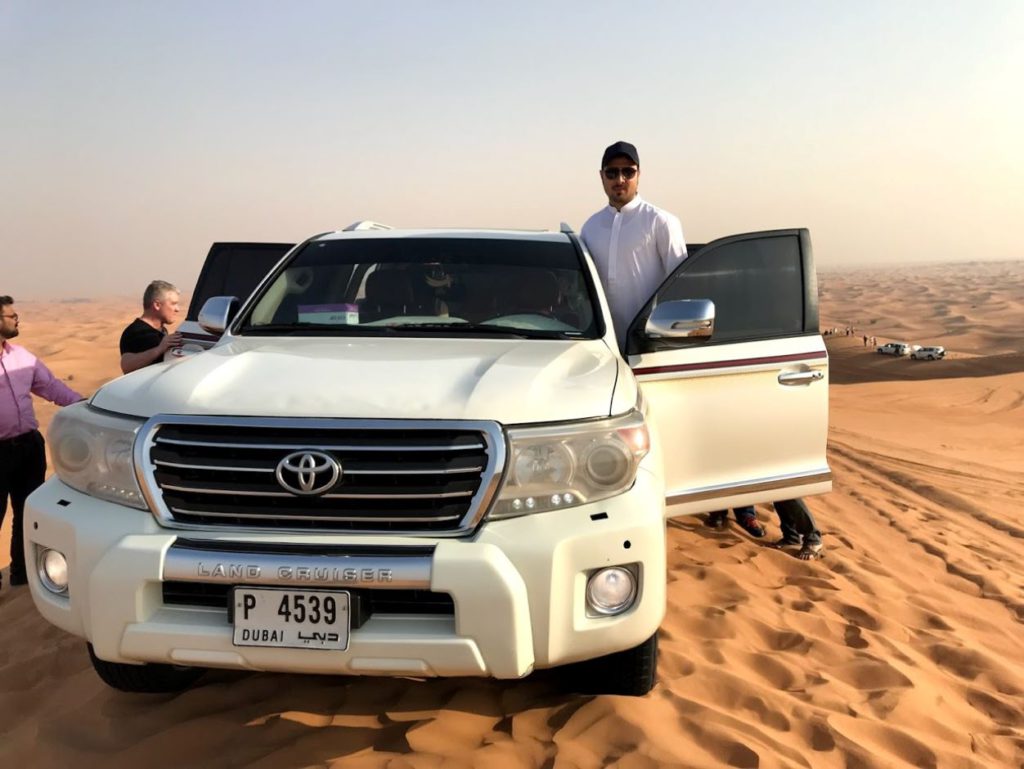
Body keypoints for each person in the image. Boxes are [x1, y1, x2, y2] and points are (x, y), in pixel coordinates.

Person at [1, 296, 84, 587]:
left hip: (28, 447)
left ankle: (22, 577)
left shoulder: (22, 358)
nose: (16, 319)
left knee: (27, 512)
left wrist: (83, 405)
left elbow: (50, 387)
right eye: (10, 316)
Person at [580, 141, 687, 349]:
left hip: (649, 347)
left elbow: (680, 291)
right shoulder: (590, 228)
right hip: (601, 349)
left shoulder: (661, 222)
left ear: (639, 175)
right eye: (612, 173)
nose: (620, 179)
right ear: (601, 176)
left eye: (628, 172)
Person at [119, 280, 183, 373]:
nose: (177, 309)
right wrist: (159, 349)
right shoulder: (136, 333)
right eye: (173, 304)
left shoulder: (161, 329)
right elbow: (127, 366)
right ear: (157, 305)